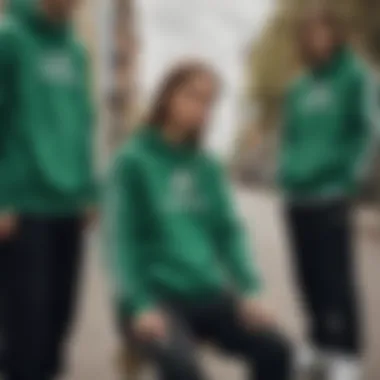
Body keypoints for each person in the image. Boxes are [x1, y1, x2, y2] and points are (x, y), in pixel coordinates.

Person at [105, 61, 292, 380]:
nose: (202, 108)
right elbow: (122, 240)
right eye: (193, 96)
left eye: (210, 102)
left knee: (277, 349)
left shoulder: (207, 166)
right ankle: (136, 345)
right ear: (167, 96)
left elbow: (228, 232)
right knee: (184, 370)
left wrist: (249, 289)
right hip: (155, 296)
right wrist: (138, 304)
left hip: (207, 292)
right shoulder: (132, 161)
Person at [0, 0, 97, 379]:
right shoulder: (10, 40)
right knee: (28, 332)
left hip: (69, 208)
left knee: (60, 324)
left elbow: (82, 121)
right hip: (24, 207)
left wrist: (89, 189)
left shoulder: (77, 51)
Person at [278, 6, 375, 380]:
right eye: (307, 32)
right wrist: (286, 170)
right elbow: (289, 137)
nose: (314, 39)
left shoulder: (355, 75)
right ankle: (319, 344)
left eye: (321, 30)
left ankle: (347, 353)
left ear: (335, 33)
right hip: (297, 196)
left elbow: (367, 130)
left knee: (336, 279)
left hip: (331, 194)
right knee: (306, 278)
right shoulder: (298, 86)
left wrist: (348, 177)